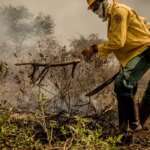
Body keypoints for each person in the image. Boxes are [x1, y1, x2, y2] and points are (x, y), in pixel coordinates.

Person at [82, 0, 150, 134]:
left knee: (122, 83)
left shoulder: (118, 12)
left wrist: (94, 49)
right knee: (131, 86)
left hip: (145, 50)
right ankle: (128, 129)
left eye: (95, 7)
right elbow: (140, 28)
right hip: (141, 50)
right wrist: (125, 64)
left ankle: (133, 126)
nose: (95, 12)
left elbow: (118, 42)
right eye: (93, 9)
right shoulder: (115, 13)